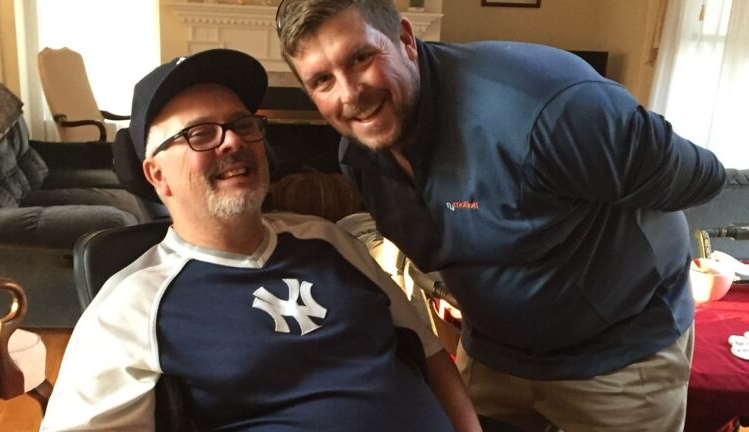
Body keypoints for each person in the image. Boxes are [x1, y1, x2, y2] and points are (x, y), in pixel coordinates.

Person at [276, 1, 728, 431]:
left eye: (360, 58)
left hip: (620, 361)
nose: (350, 94)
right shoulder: (359, 157)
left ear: (406, 39)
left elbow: (701, 177)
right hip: (495, 356)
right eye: (322, 81)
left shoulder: (549, 109)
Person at [40, 48, 481, 432]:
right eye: (200, 133)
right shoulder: (131, 307)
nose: (233, 141)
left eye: (243, 124)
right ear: (156, 174)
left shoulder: (330, 240)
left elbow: (430, 355)